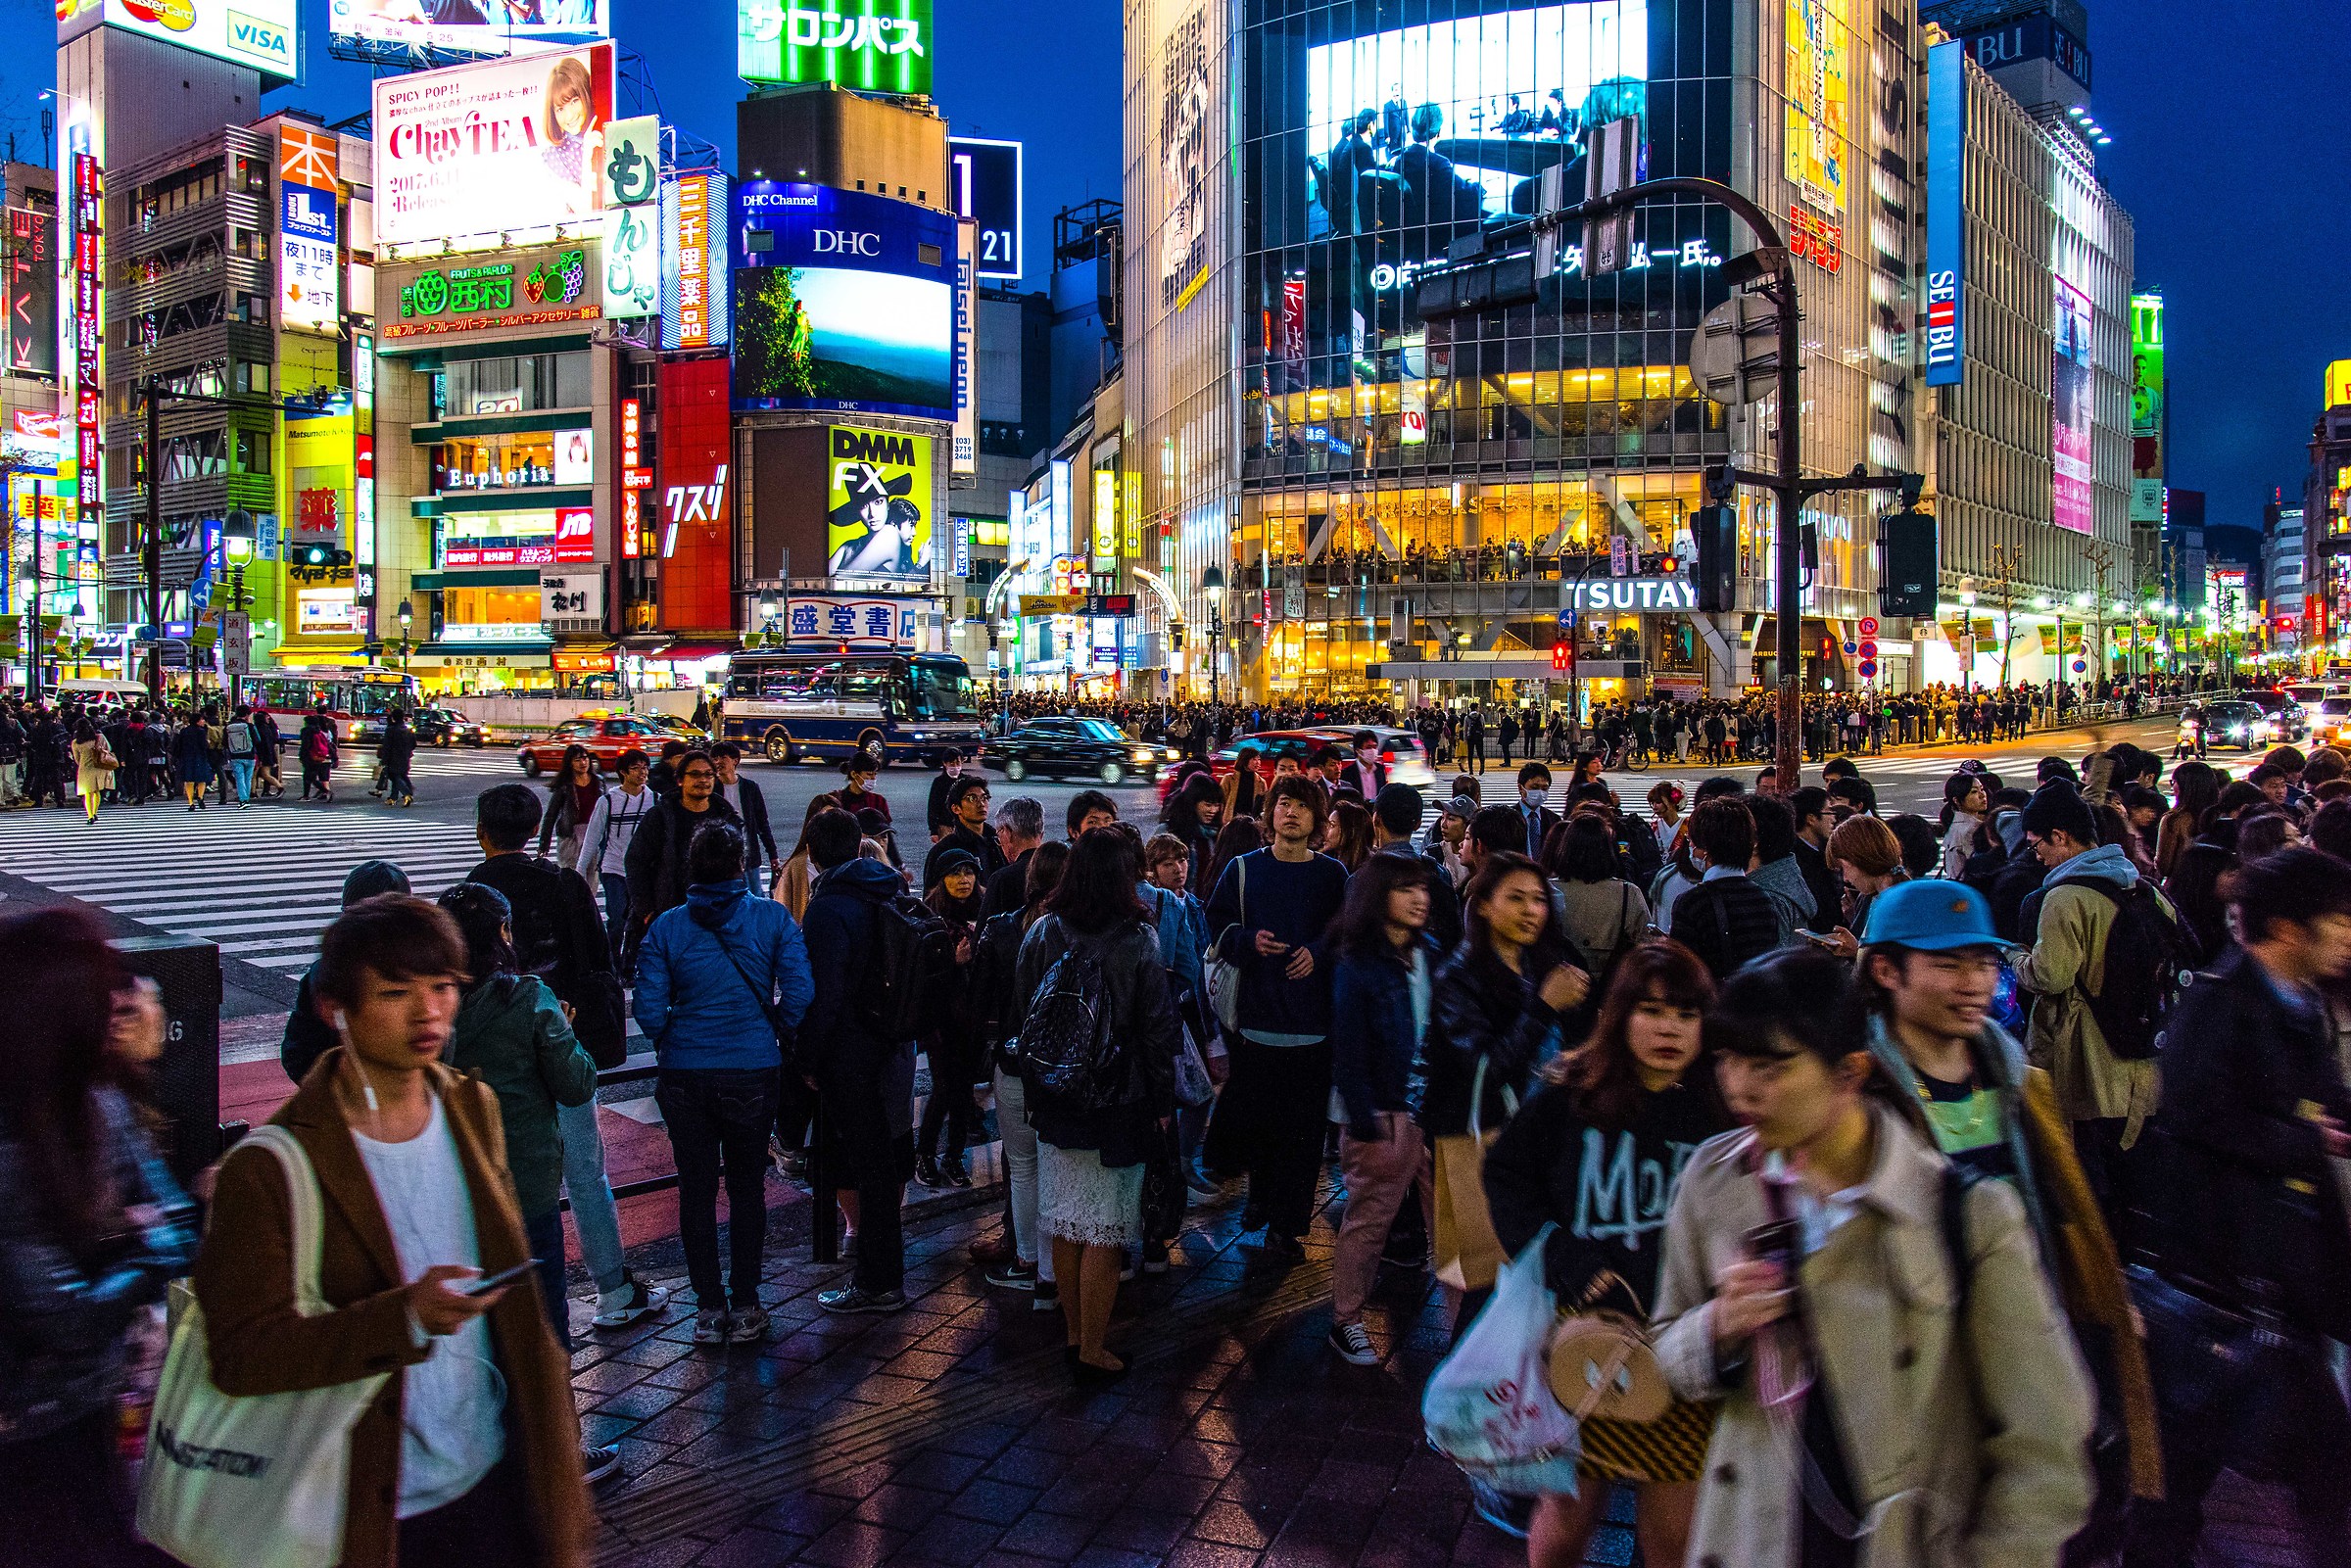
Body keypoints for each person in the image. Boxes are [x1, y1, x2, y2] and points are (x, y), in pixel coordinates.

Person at [1650, 947, 2094, 1568]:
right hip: (1755, 1535)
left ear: (1850, 1073)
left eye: (1769, 1066)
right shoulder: (1713, 1181)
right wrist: (1717, 1326)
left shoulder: (1966, 1216)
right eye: (1727, 1060)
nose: (1738, 1088)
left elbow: (2046, 1449)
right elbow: (1664, 1352)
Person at [192, 894, 594, 1566]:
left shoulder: (472, 1106)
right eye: (394, 991)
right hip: (369, 1507)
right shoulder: (269, 1169)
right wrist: (402, 1317)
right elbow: (240, 1354)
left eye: (443, 987)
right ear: (334, 1008)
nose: (428, 1011)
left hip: (497, 1478)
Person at [2124, 848, 2351, 1564]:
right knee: (2182, 1480)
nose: (2348, 937)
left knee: (2309, 1475)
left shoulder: (2300, 1004)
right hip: (2215, 1286)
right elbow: (2194, 1114)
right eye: (2338, 922)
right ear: (2288, 927)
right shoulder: (2220, 999)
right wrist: (2302, 1136)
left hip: (2274, 1285)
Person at [1483, 940, 1729, 1568]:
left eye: (1687, 1013)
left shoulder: (1721, 1113)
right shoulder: (1571, 1094)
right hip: (1583, 1341)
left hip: (1682, 1346)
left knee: (1675, 1540)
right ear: (1620, 1015)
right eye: (1651, 1010)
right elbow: (1507, 1176)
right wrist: (1564, 1259)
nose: (1669, 1028)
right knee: (1565, 1523)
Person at [0, 907, 198, 1563]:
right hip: (29, 1428)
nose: (121, 998)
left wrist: (136, 1247)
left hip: (93, 1401)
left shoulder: (97, 1101)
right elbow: (66, 1316)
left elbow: (173, 1226)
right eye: (103, 985)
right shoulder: (15, 1143)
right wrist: (138, 1253)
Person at [635, 822, 814, 1343]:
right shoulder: (771, 919)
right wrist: (773, 1027)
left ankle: (708, 1308)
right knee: (745, 1188)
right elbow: (799, 991)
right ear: (743, 866)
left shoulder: (667, 927)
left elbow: (648, 1008)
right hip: (752, 1068)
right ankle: (747, 1302)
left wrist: (676, 1035)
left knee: (695, 1190)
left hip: (685, 1072)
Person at [1012, 828, 1179, 1377]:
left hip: (1056, 1096)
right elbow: (1157, 1028)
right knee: (1106, 1227)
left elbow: (1024, 1013)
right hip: (1118, 1099)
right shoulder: (1138, 939)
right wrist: (1162, 1098)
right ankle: (1093, 1349)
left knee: (1063, 1221)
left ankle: (1074, 1335)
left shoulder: (1041, 933)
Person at [432, 882, 601, 1402]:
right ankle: (556, 1439)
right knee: (543, 1317)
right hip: (524, 1180)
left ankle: (490, 1435)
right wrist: (565, 1031)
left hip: (452, 1182)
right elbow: (576, 1082)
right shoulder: (528, 998)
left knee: (472, 1317)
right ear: (503, 934)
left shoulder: (435, 1003)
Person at [1201, 777, 1352, 1259]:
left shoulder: (1332, 876)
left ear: (1315, 821)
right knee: (1262, 1124)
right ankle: (1261, 1200)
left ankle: (1287, 1228)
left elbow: (1345, 934)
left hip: (1312, 1028)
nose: (1291, 813)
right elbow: (1216, 922)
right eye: (1283, 804)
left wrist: (1317, 952)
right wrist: (1248, 942)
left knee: (1304, 1136)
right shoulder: (1244, 869)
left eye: (1302, 807)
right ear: (1270, 814)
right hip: (1255, 1021)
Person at [2009, 779, 2173, 1222]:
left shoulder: (2065, 898)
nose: (2035, 853)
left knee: (2090, 1182)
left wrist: (2015, 956)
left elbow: (2052, 976)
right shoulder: (2144, 889)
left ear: (2060, 836)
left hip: (2090, 1058)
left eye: (2037, 843)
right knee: (2132, 1173)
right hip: (2144, 1052)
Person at [799, 808, 920, 1313]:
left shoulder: (828, 908)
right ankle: (880, 1275)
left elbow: (823, 995)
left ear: (813, 852)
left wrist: (807, 1057)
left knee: (868, 1166)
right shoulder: (886, 887)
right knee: (883, 1162)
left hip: (850, 1051)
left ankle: (878, 1282)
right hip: (892, 1042)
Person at [1325, 854, 1442, 1365]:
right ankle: (1345, 1320)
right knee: (1369, 1223)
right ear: (1378, 899)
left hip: (1435, 1113)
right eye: (1404, 889)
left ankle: (1469, 1331)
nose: (1419, 898)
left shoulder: (1433, 953)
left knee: (1454, 1224)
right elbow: (1347, 1050)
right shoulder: (1359, 966)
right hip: (1388, 1113)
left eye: (1422, 887)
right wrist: (1367, 1120)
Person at [974, 842, 1071, 1298]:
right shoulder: (1079, 932)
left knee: (1024, 1168)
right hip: (1063, 1069)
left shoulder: (1002, 930)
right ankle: (1053, 1271)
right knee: (1056, 1165)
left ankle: (1027, 1257)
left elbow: (982, 1004)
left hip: (1013, 1065)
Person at [915, 848, 988, 1188]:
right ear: (941, 880)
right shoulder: (929, 918)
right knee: (946, 1087)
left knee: (964, 1090)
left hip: (974, 1016)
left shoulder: (986, 911)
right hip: (941, 1020)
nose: (963, 880)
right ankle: (925, 1154)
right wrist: (953, 964)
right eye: (955, 874)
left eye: (968, 872)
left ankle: (954, 1156)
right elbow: (919, 977)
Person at [624, 748, 741, 961]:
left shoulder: (726, 816)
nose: (703, 780)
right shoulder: (661, 816)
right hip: (670, 912)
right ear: (680, 780)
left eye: (708, 774)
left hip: (717, 917)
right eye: (695, 774)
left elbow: (737, 866)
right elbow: (635, 862)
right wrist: (648, 911)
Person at [1668, 796, 1781, 980]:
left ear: (1705, 849)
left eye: (1691, 840)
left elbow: (1681, 971)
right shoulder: (1764, 898)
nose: (1690, 846)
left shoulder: (1692, 902)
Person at [1544, 812, 1653, 983]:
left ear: (1566, 847)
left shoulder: (1548, 889)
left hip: (1561, 982)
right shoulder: (1628, 892)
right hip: (1612, 985)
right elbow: (1646, 944)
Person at [576, 748, 655, 960]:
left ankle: (629, 965)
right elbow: (593, 837)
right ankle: (612, 961)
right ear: (623, 772)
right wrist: (580, 869)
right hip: (613, 868)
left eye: (645, 768)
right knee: (617, 919)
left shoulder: (655, 800)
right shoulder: (608, 801)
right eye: (636, 768)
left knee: (639, 921)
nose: (642, 773)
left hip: (643, 872)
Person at [710, 741, 782, 896]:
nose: (718, 762)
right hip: (721, 857)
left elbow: (762, 823)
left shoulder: (750, 787)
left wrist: (773, 854)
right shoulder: (711, 790)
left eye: (723, 757)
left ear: (735, 760)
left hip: (749, 855)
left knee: (755, 896)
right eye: (714, 758)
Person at [925, 774, 1006, 891]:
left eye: (984, 798)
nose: (981, 804)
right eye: (972, 798)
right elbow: (930, 898)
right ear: (956, 808)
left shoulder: (997, 842)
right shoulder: (944, 849)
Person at [538, 745, 604, 873]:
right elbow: (551, 815)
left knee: (593, 873)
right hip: (570, 835)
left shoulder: (598, 782)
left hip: (594, 833)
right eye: (577, 760)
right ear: (570, 763)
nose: (583, 763)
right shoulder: (565, 785)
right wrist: (544, 842)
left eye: (585, 758)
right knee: (570, 873)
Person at [984, 795, 1047, 918]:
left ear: (1007, 833)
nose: (1000, 844)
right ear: (1041, 834)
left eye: (999, 835)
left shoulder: (1002, 879)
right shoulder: (1066, 870)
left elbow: (983, 933)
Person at [1513, 761, 1564, 859]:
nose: (1540, 792)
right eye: (1534, 787)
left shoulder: (1554, 820)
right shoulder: (1509, 818)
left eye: (1544, 788)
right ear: (1520, 788)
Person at [69, 718, 113, 824]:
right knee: (97, 791)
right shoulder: (99, 737)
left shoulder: (75, 742)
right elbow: (109, 749)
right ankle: (95, 812)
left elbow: (77, 759)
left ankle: (90, 815)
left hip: (85, 768)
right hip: (98, 766)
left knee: (87, 793)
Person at [173, 710, 216, 810]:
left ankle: (191, 802)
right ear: (197, 721)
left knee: (189, 780)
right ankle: (200, 797)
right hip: (200, 757)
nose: (203, 721)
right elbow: (204, 746)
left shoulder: (184, 731)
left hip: (187, 757)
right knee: (201, 779)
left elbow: (179, 745)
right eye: (202, 719)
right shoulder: (201, 731)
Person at [837, 751, 890, 824]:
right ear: (854, 774)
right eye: (869, 774)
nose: (873, 778)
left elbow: (886, 830)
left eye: (875, 774)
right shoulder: (835, 800)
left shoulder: (879, 801)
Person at [221, 703, 260, 807]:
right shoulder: (250, 726)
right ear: (247, 715)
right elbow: (257, 740)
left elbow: (224, 742)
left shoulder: (228, 727)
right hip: (250, 755)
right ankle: (246, 799)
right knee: (248, 778)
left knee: (239, 778)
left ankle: (243, 799)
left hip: (235, 756)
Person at [379, 708, 417, 808]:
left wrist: (384, 759)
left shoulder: (391, 730)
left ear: (393, 717)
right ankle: (393, 798)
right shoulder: (408, 730)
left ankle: (407, 794)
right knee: (400, 775)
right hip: (405, 757)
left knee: (394, 776)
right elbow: (414, 744)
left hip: (393, 758)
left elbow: (387, 746)